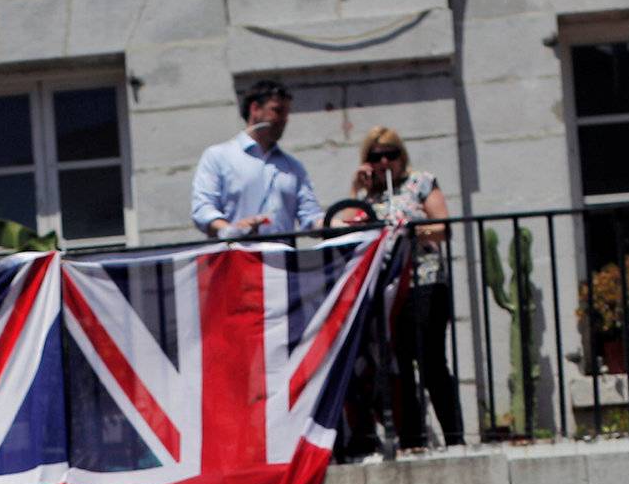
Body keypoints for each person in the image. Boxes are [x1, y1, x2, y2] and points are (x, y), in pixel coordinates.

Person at [351, 126, 463, 450]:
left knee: (430, 360)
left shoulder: (421, 182)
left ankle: (454, 435)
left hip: (424, 280)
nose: (385, 161)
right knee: (398, 363)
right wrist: (358, 188)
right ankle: (413, 437)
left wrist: (411, 231)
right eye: (376, 156)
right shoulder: (370, 195)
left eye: (391, 154)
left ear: (402, 156)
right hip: (388, 289)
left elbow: (443, 227)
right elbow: (347, 223)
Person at [191, 80, 323, 241]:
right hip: (234, 259)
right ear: (255, 109)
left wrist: (338, 225)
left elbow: (311, 216)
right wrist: (231, 231)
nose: (284, 119)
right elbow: (203, 210)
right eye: (277, 110)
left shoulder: (293, 167)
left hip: (280, 262)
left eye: (287, 113)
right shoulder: (218, 156)